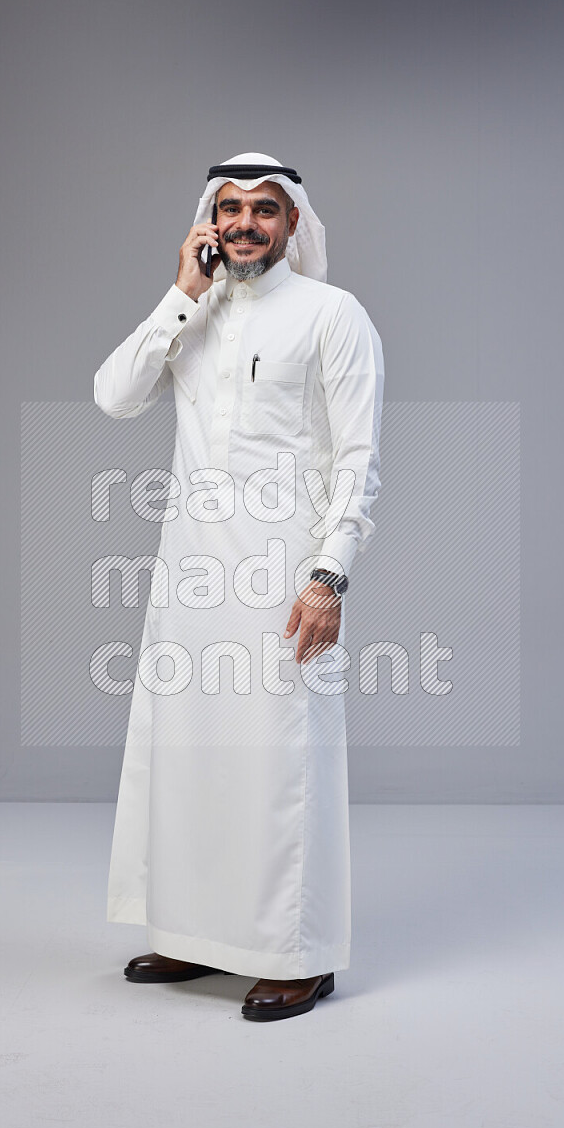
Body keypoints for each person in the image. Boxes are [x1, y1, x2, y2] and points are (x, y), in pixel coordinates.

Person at [93, 152, 384, 1021]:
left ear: (294, 222)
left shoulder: (333, 315)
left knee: (280, 763)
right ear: (208, 221)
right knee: (190, 756)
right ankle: (195, 934)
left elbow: (358, 459)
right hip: (189, 570)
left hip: (282, 575)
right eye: (229, 208)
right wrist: (181, 292)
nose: (246, 223)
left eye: (264, 209)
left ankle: (297, 953)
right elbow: (114, 396)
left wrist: (330, 575)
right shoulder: (196, 310)